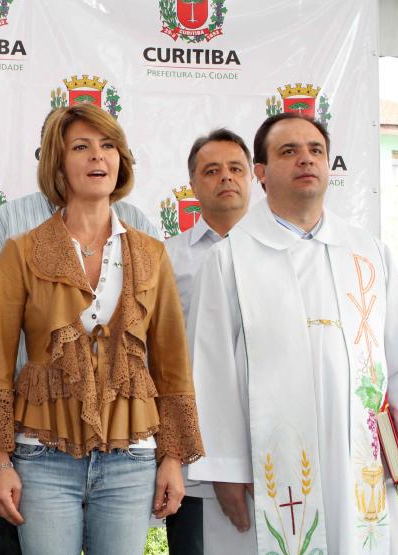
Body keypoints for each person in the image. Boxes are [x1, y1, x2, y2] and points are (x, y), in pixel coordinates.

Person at [188, 113, 398, 553]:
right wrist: (225, 471)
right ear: (263, 174)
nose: (306, 160)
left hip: (359, 457)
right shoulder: (230, 258)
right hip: (266, 472)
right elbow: (210, 371)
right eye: (289, 151)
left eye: (316, 150)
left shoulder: (368, 252)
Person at [0, 103, 204, 554]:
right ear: (57, 164)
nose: (97, 157)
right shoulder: (20, 251)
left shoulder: (151, 253)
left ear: (121, 160)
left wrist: (173, 458)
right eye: (81, 147)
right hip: (42, 458)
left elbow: (173, 365)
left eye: (108, 146)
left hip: (132, 459)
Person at [163, 129, 252, 555]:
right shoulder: (167, 258)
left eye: (236, 168)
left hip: (271, 437)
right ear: (193, 184)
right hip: (192, 445)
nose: (226, 178)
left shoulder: (285, 254)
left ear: (254, 178)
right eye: (211, 170)